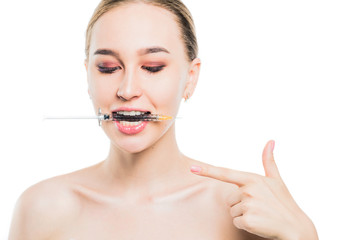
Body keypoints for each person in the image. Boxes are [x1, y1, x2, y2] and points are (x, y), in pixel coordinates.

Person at [9, 0, 318, 239]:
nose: (127, 90)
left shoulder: (244, 211)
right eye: (107, 67)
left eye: (153, 67)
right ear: (87, 76)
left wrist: (302, 235)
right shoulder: (41, 208)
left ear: (190, 78)